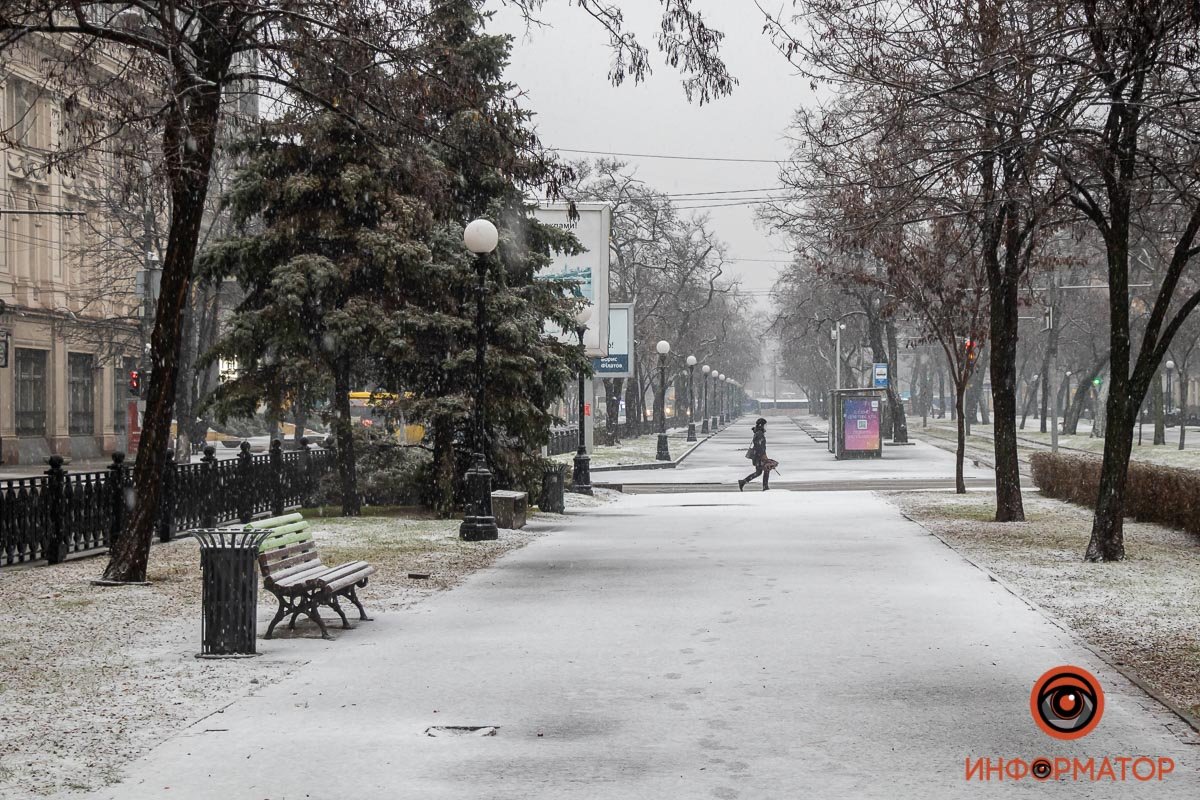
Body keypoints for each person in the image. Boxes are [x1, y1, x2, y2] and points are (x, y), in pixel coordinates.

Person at [738, 418, 770, 491]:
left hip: (758, 455)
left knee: (759, 472)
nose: (765, 426)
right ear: (761, 425)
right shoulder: (759, 433)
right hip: (759, 456)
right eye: (765, 425)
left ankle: (743, 482)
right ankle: (765, 487)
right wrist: (763, 455)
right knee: (767, 468)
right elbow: (759, 446)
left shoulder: (758, 432)